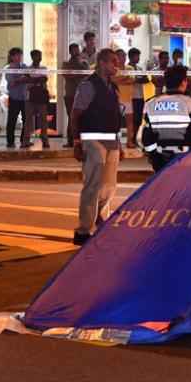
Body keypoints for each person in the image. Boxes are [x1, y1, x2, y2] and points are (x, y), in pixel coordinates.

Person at [70, 48, 124, 246]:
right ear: (102, 63)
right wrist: (76, 142)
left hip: (111, 140)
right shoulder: (88, 85)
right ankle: (83, 230)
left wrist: (119, 144)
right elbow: (75, 114)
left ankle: (101, 222)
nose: (117, 65)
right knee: (93, 185)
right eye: (113, 61)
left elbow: (115, 116)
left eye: (117, 61)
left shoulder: (113, 87)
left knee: (109, 186)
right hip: (93, 140)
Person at [139, 65, 191, 172]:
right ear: (184, 82)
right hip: (185, 160)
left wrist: (152, 155)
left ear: (165, 82)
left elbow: (145, 135)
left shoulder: (150, 103)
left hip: (159, 160)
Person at [62, 43, 90, 148]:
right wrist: (81, 73)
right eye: (74, 50)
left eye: (78, 50)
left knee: (84, 117)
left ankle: (83, 140)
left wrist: (79, 64)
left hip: (83, 94)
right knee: (72, 118)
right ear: (70, 52)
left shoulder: (84, 62)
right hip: (70, 94)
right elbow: (68, 76)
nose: (77, 52)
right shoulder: (66, 64)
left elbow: (88, 74)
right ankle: (71, 141)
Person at [21, 49, 50, 149]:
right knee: (28, 119)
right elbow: (25, 80)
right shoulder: (27, 68)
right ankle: (26, 140)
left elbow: (44, 79)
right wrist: (35, 79)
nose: (39, 58)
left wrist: (31, 79)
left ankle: (45, 140)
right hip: (30, 96)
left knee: (43, 119)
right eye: (37, 56)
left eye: (40, 55)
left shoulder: (44, 68)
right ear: (32, 57)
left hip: (41, 96)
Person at [113, 48, 136, 148]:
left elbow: (131, 80)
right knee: (114, 122)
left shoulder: (130, 68)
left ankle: (129, 141)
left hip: (127, 98)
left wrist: (118, 80)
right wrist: (124, 77)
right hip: (115, 98)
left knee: (129, 121)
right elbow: (112, 80)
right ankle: (115, 142)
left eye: (125, 55)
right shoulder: (113, 69)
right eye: (122, 55)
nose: (124, 57)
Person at [4, 47, 27, 149]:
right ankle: (10, 142)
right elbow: (12, 83)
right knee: (12, 121)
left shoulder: (25, 67)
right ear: (12, 57)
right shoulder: (8, 69)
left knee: (26, 120)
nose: (20, 57)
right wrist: (22, 79)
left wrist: (20, 79)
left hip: (24, 98)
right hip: (14, 98)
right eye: (17, 55)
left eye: (20, 55)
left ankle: (24, 140)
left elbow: (28, 79)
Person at [127, 47, 147, 147]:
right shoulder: (126, 68)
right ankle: (130, 139)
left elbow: (146, 79)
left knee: (138, 119)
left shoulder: (140, 69)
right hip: (131, 96)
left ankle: (134, 138)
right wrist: (137, 79)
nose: (138, 58)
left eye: (139, 56)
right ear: (131, 57)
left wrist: (137, 79)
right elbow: (129, 80)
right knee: (132, 120)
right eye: (137, 56)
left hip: (140, 96)